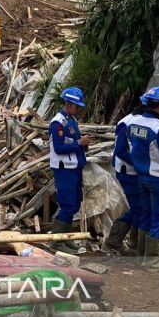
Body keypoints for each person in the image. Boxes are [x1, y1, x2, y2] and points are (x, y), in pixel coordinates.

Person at [48, 87, 93, 254]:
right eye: (76, 106)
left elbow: (73, 141)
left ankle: (65, 239)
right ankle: (57, 241)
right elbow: (59, 148)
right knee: (67, 204)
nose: (79, 109)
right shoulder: (58, 122)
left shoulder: (71, 120)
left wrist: (83, 144)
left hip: (74, 168)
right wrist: (79, 143)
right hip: (64, 169)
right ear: (68, 104)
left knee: (74, 204)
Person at [127, 86, 159, 270]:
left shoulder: (135, 124)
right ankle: (153, 260)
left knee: (146, 214)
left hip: (142, 176)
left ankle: (142, 256)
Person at [106, 103, 142, 253]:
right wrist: (140, 164)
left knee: (142, 206)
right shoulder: (127, 123)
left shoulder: (140, 122)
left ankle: (134, 242)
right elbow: (120, 151)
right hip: (128, 171)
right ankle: (115, 239)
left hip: (136, 171)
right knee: (138, 207)